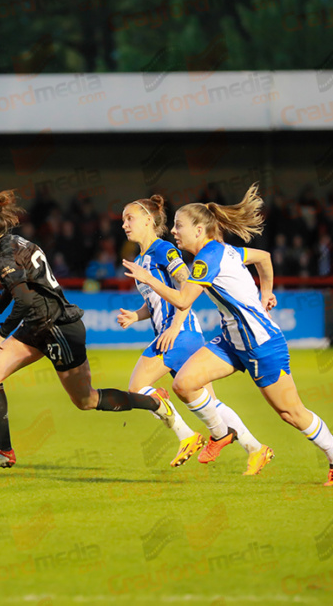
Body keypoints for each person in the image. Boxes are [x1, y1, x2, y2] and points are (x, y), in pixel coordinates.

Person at [123, 183, 333, 486]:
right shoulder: (223, 251)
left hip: (262, 345)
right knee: (184, 383)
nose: (174, 231)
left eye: (179, 226)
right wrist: (266, 294)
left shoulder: (208, 259)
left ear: (199, 230)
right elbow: (264, 258)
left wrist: (149, 279)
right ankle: (221, 434)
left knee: (291, 412)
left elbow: (182, 300)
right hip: (232, 341)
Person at [0, 190, 176, 470]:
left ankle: (153, 402)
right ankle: (4, 451)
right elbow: (19, 287)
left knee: (86, 400)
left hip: (57, 327)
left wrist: (2, 330)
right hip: (36, 325)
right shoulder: (14, 244)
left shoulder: (4, 255)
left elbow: (24, 298)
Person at [117, 195, 271, 473]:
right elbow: (158, 299)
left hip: (179, 333)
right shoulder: (143, 258)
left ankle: (186, 435)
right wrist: (136, 315)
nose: (125, 224)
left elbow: (186, 285)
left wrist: (175, 326)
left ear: (149, 220)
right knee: (210, 403)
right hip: (182, 334)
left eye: (130, 218)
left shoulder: (164, 250)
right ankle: (256, 449)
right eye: (123, 220)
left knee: (137, 388)